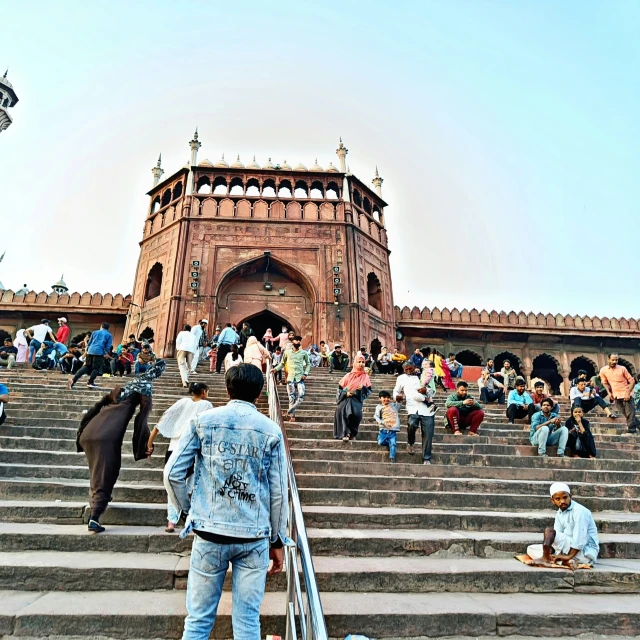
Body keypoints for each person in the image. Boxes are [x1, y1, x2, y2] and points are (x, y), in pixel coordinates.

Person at [165, 363, 288, 640]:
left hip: (209, 532)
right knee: (247, 622)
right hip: (253, 536)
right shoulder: (270, 430)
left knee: (197, 621)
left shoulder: (202, 422)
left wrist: (189, 512)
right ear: (260, 393)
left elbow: (172, 474)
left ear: (227, 388)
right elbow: (278, 492)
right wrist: (277, 540)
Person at [77, 360, 166, 533]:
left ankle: (99, 501)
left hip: (90, 430)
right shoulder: (146, 387)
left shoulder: (125, 386)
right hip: (107, 435)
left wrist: (81, 431)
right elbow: (142, 419)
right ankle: (94, 516)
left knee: (101, 470)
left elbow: (97, 406)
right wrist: (144, 446)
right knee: (106, 471)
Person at [147, 382, 213, 533]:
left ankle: (172, 521)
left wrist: (150, 443)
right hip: (190, 451)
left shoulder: (182, 402)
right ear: (204, 392)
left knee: (173, 487)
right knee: (187, 487)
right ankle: (188, 518)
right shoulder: (206, 405)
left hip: (173, 450)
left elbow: (164, 420)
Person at [526, 482, 599, 567]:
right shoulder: (559, 514)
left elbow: (580, 540)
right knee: (531, 549)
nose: (562, 501)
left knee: (549, 531)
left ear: (570, 497)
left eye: (565, 497)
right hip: (568, 549)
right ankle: (567, 561)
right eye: (558, 499)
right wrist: (551, 550)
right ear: (552, 501)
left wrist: (567, 556)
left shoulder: (580, 511)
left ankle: (547, 560)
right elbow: (557, 537)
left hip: (584, 552)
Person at [394, 361, 437, 463]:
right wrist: (397, 397)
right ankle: (410, 442)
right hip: (412, 406)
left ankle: (426, 458)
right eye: (406, 369)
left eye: (410, 369)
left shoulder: (425, 375)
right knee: (412, 424)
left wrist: (426, 391)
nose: (409, 371)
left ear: (415, 367)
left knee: (428, 433)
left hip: (426, 407)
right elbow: (396, 391)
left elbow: (433, 390)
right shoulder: (401, 378)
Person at [334, 354, 372, 442]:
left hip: (357, 400)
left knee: (356, 415)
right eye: (359, 362)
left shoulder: (365, 377)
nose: (361, 364)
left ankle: (352, 433)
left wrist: (362, 388)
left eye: (363, 362)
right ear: (355, 363)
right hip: (346, 400)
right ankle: (346, 433)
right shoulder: (348, 375)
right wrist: (345, 393)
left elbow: (369, 390)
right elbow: (339, 389)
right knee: (347, 414)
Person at [273, 336, 311, 422]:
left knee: (301, 395)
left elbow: (308, 364)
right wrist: (275, 369)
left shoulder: (303, 353)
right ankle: (292, 416)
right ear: (292, 341)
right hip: (290, 378)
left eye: (299, 341)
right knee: (291, 397)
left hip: (300, 378)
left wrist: (305, 373)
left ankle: (290, 410)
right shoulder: (287, 352)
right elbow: (282, 364)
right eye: (296, 340)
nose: (298, 342)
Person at [67, 322, 113, 390]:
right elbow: (108, 346)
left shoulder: (94, 332)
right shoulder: (109, 335)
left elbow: (89, 343)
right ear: (107, 328)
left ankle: (73, 380)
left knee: (86, 366)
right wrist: (104, 352)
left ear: (101, 326)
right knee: (96, 368)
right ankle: (90, 382)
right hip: (99, 351)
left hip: (90, 351)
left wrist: (88, 350)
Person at [599, 353, 637, 433]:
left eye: (616, 360)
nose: (615, 361)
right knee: (627, 414)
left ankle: (631, 431)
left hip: (626, 393)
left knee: (630, 413)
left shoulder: (622, 368)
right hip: (616, 395)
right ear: (608, 359)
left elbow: (632, 381)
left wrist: (628, 392)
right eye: (613, 360)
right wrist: (609, 393)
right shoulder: (603, 370)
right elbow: (604, 382)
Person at [374, 391, 401, 463]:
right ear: (380, 398)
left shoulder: (393, 406)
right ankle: (388, 443)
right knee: (380, 442)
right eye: (384, 397)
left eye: (388, 397)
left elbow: (398, 406)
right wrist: (382, 422)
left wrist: (399, 401)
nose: (386, 399)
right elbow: (376, 416)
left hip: (392, 430)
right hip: (383, 430)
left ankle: (392, 458)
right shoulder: (379, 407)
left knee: (393, 443)